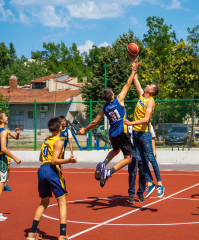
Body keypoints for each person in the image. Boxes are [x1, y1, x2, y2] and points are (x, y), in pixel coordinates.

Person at [78, 57, 141, 187]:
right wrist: (134, 69)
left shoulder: (104, 108)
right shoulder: (119, 99)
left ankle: (103, 163)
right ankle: (108, 172)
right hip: (122, 133)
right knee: (128, 159)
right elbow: (128, 83)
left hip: (112, 134)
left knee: (116, 150)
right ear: (112, 95)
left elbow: (95, 122)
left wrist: (84, 129)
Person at [27, 117, 77, 240]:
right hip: (52, 170)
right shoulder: (58, 141)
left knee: (44, 202)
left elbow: (41, 158)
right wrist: (69, 160)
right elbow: (54, 161)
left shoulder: (46, 140)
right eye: (62, 124)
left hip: (41, 170)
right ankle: (63, 234)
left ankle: (32, 232)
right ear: (60, 127)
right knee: (62, 202)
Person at [124, 73, 164, 198]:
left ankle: (160, 184)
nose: (146, 85)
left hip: (144, 134)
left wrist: (131, 123)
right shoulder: (142, 95)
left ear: (151, 91)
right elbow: (135, 79)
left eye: (149, 85)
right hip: (135, 133)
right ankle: (150, 183)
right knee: (141, 160)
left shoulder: (150, 102)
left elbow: (146, 119)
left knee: (151, 158)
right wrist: (133, 64)